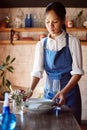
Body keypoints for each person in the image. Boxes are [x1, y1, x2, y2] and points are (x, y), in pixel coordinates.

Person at [26, 1, 84, 124]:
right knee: (49, 125)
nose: (50, 26)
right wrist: (29, 91)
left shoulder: (73, 42)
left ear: (63, 20)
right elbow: (37, 72)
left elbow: (77, 73)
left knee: (71, 126)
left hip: (70, 94)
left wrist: (63, 92)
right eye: (47, 22)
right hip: (49, 96)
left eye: (55, 22)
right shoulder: (41, 44)